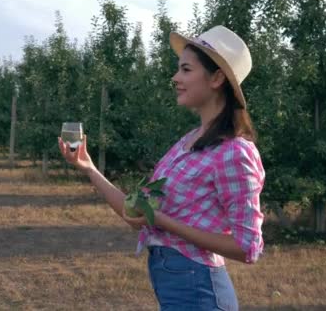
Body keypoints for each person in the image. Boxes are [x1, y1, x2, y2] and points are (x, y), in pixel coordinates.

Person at [58, 25, 264, 310]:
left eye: (186, 70)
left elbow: (247, 248)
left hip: (200, 291)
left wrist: (164, 220)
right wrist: (89, 167)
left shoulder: (234, 153)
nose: (175, 77)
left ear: (217, 77)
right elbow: (135, 212)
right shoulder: (187, 143)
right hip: (177, 287)